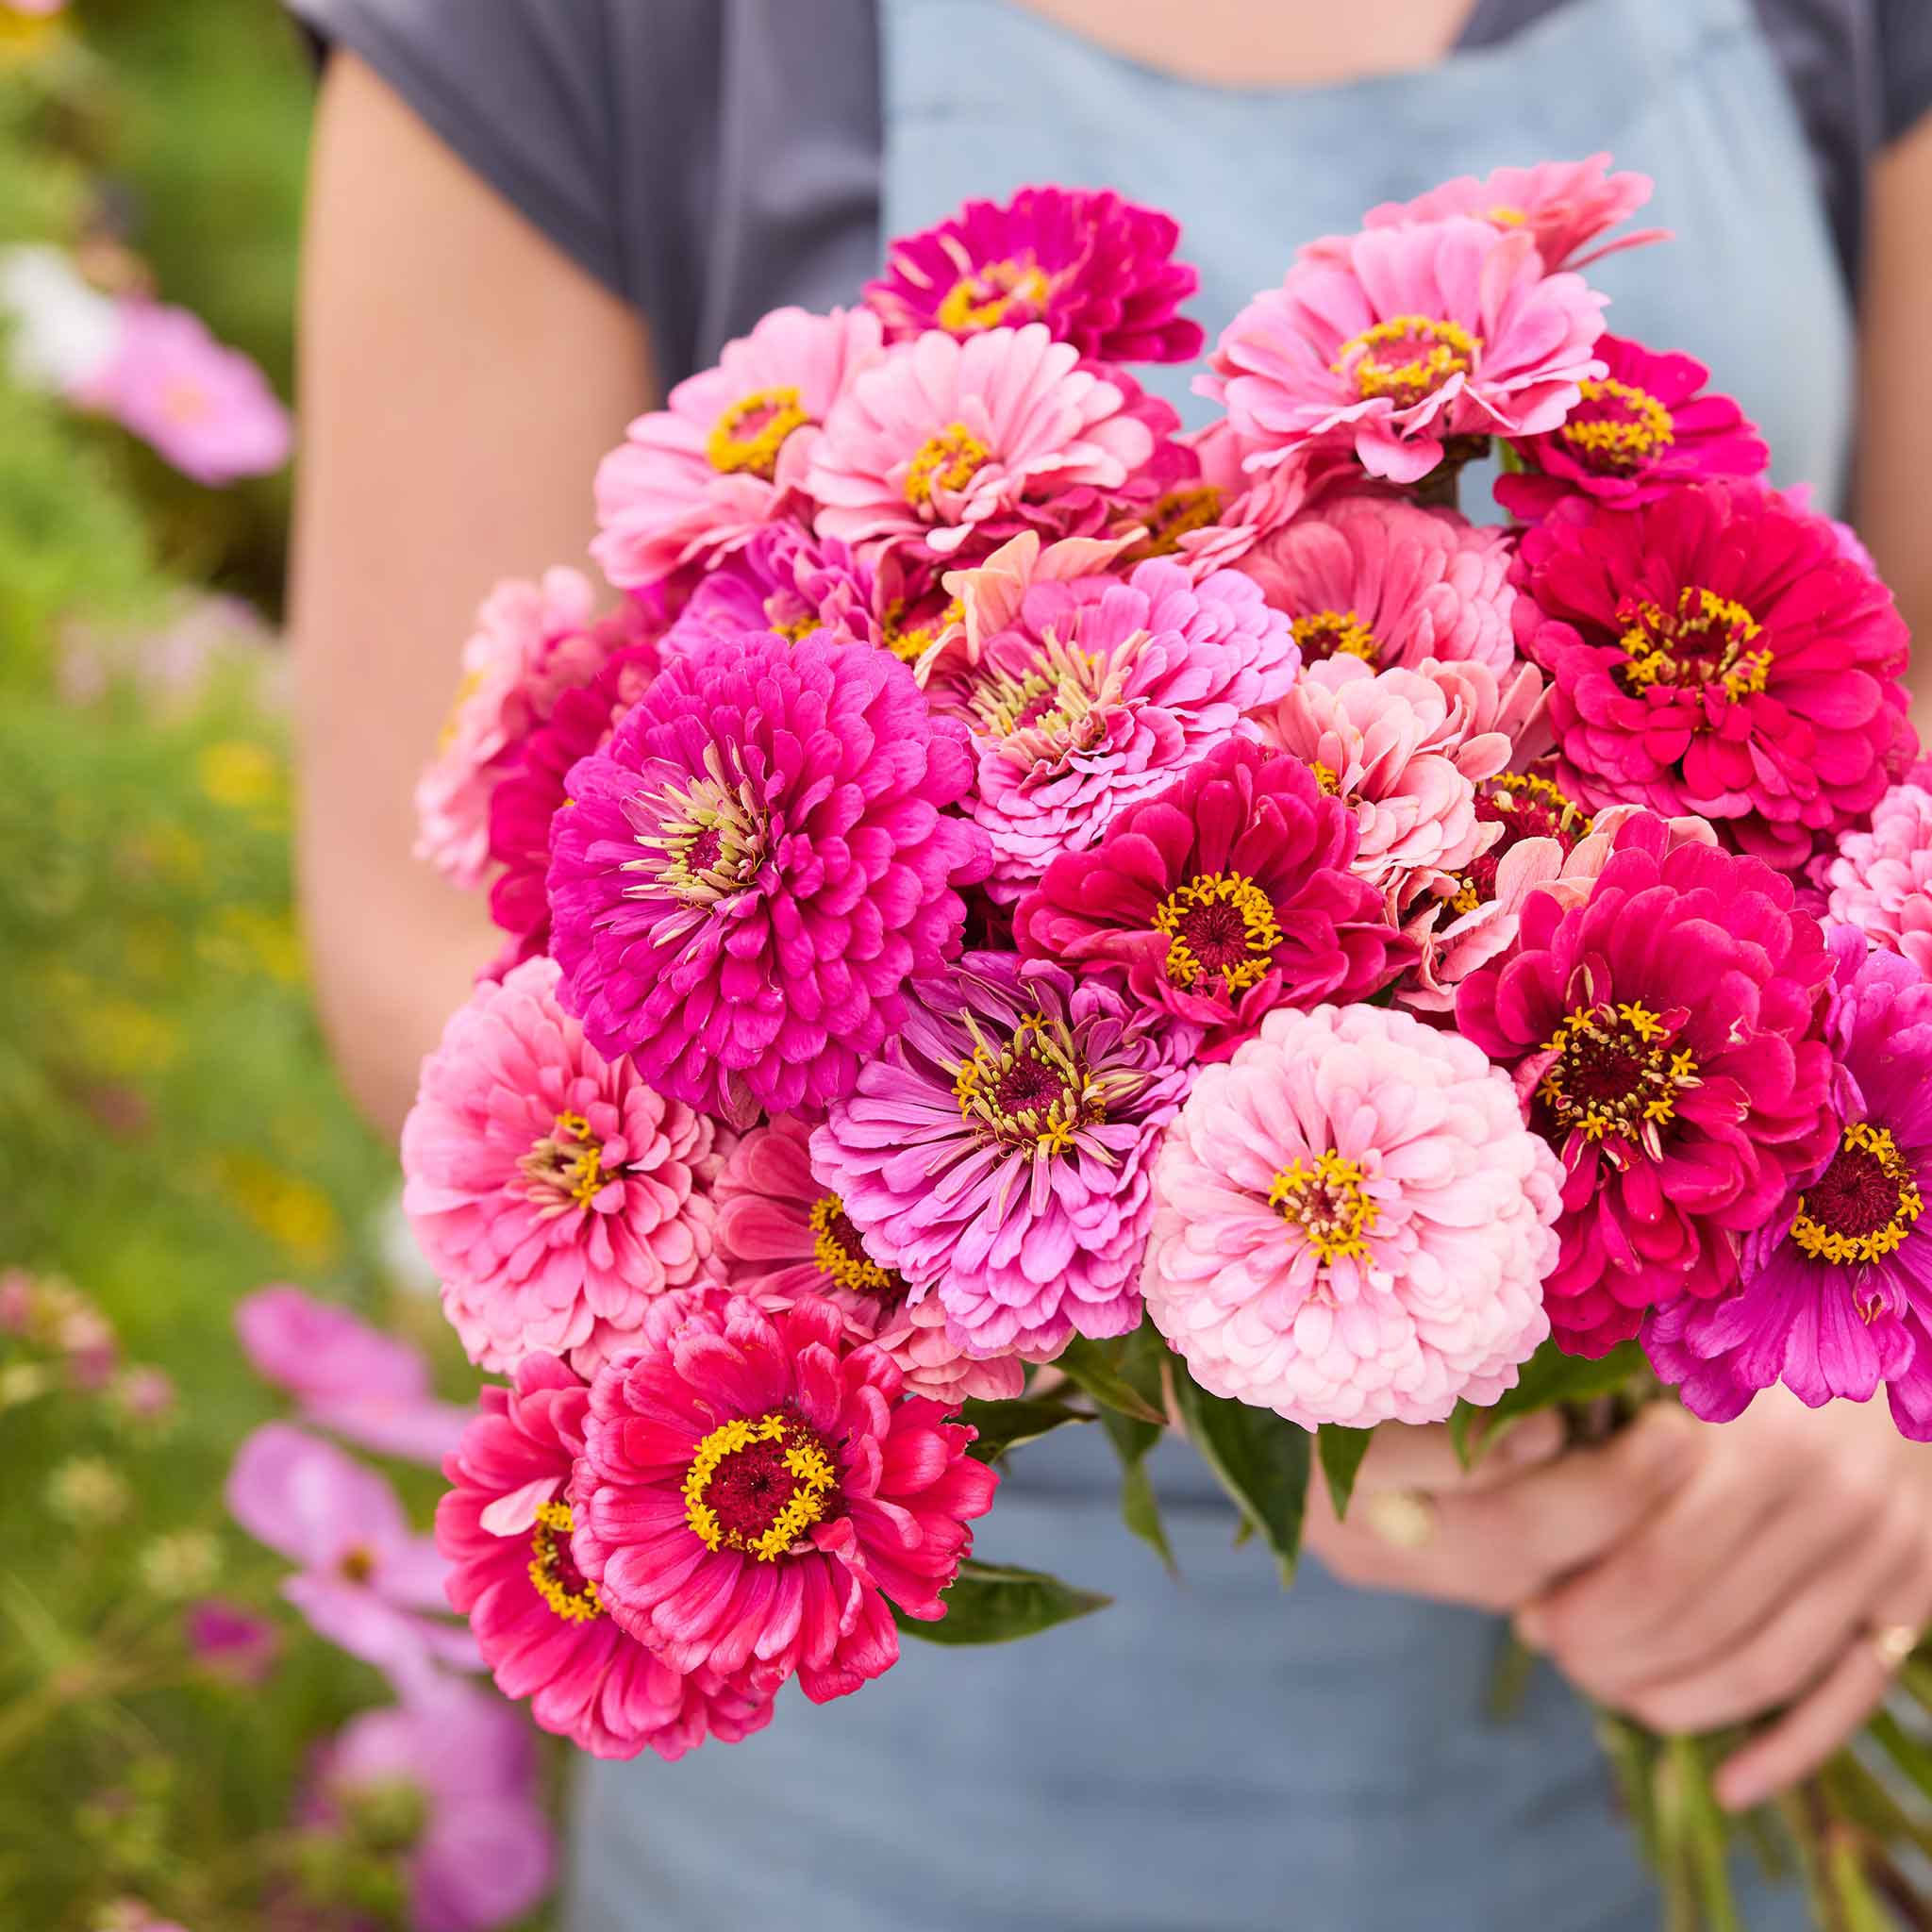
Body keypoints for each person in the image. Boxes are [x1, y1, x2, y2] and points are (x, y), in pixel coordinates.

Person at [284, 4, 1932, 1926]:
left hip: (1704, 1653)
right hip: (901, 1768)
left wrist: (1865, 1379)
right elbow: (423, 945)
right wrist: (1212, 1338)